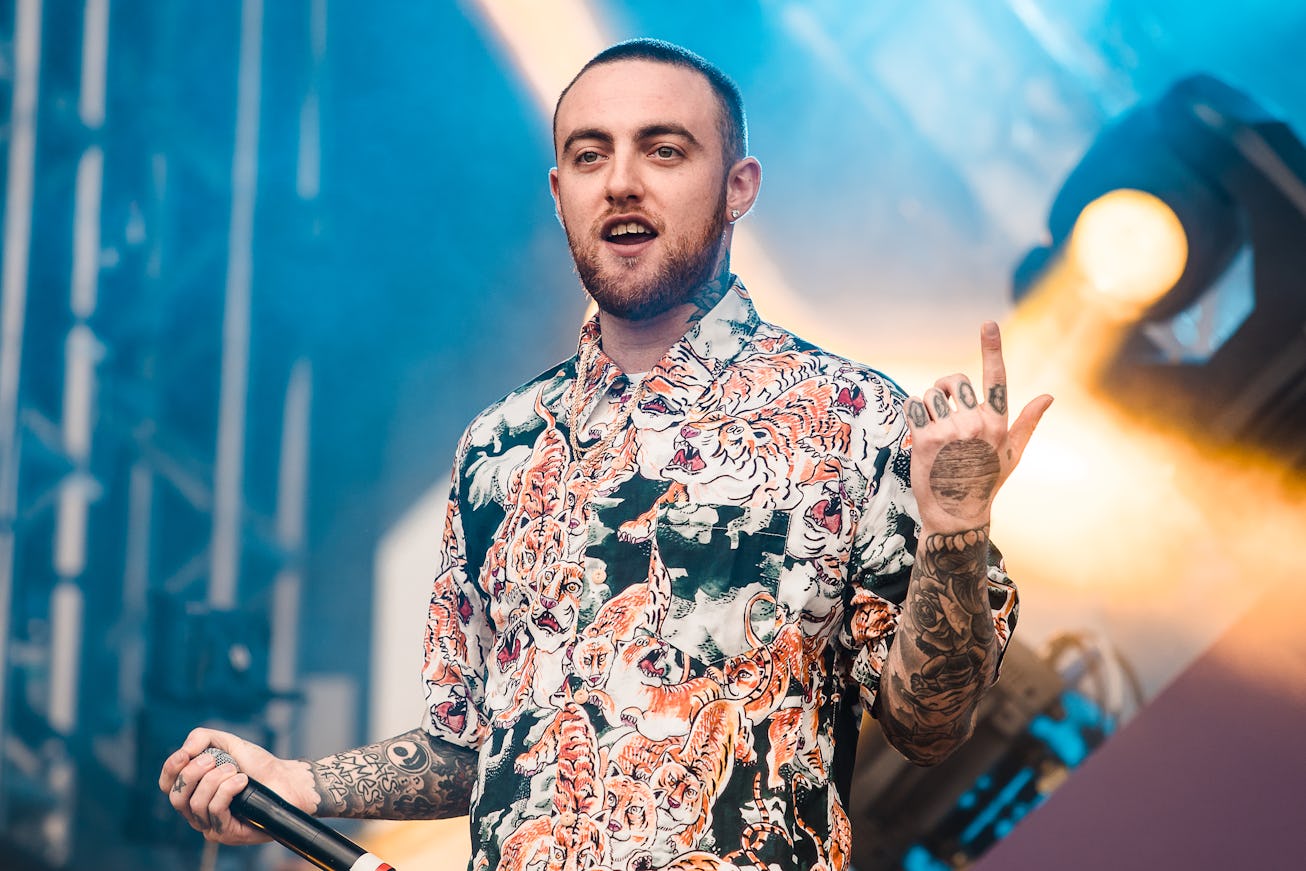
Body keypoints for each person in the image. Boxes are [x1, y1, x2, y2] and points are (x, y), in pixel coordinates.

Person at [160, 38, 1051, 871]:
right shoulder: (499, 448)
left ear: (738, 186)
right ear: (559, 193)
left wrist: (956, 530)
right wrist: (303, 782)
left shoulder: (855, 418)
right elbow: (470, 744)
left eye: (664, 150)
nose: (621, 182)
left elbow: (929, 725)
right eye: (591, 156)